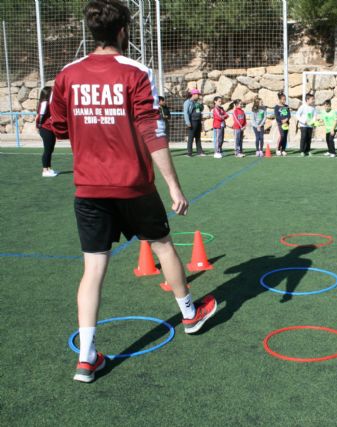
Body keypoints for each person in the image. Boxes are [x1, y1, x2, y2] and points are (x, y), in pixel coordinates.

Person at [49, 0, 217, 383]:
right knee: (163, 247)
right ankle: (190, 315)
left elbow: (56, 126)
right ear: (123, 30)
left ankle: (86, 358)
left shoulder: (67, 75)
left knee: (93, 269)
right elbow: (152, 130)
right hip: (134, 185)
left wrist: (88, 128)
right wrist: (174, 185)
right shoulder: (136, 72)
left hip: (89, 187)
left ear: (92, 31)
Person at [36, 86, 58, 177]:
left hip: (50, 128)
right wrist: (39, 125)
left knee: (50, 149)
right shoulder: (45, 103)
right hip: (45, 128)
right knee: (47, 149)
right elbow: (41, 115)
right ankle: (45, 170)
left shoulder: (48, 103)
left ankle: (49, 168)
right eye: (51, 92)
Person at [183, 88, 204, 157]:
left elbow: (201, 109)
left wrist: (201, 104)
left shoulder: (196, 102)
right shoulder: (187, 102)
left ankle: (199, 151)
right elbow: (186, 113)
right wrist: (188, 122)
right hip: (192, 121)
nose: (199, 96)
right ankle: (189, 152)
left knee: (198, 137)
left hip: (198, 121)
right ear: (193, 94)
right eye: (198, 94)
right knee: (191, 137)